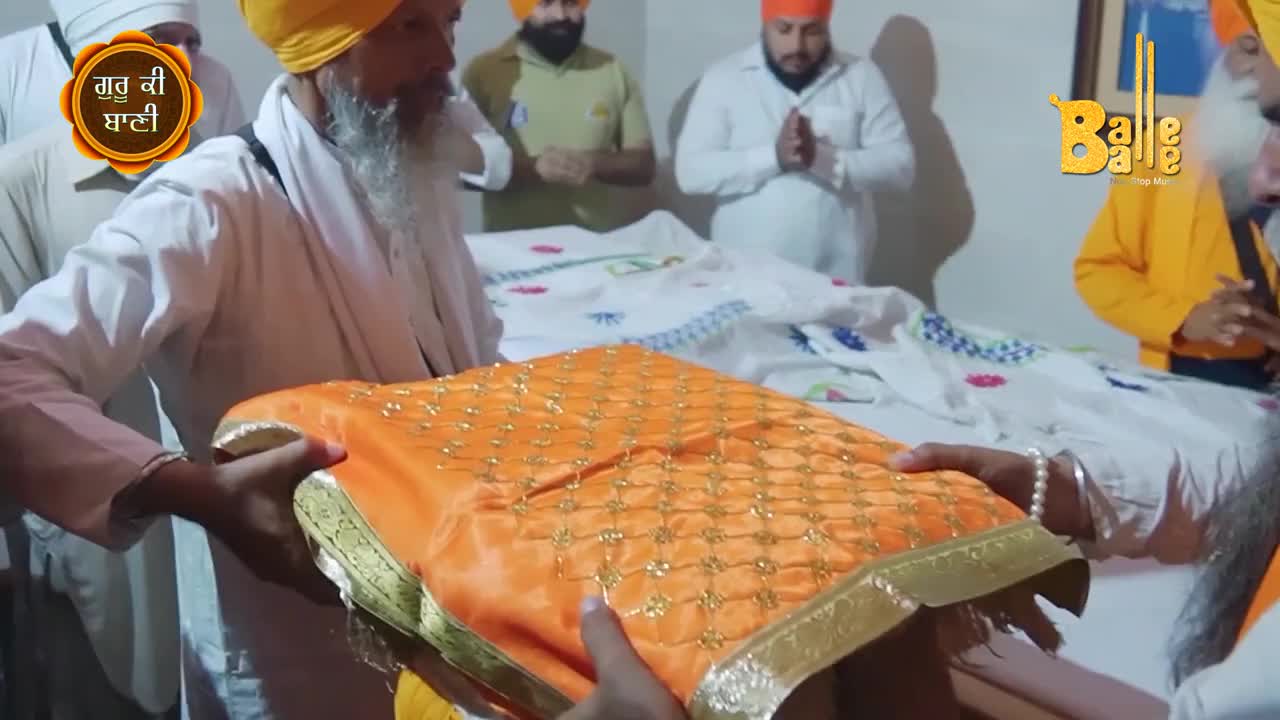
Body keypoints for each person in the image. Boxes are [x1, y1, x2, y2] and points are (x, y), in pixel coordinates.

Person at [0, 0, 509, 715]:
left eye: (449, 23)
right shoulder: (211, 201)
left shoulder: (409, 168)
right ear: (322, 47)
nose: (445, 60)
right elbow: (10, 376)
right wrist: (195, 494)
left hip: (450, 609)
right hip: (294, 645)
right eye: (410, 27)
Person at [1075, 1, 1280, 391]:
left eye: (1269, 52)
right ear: (1224, 55)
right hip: (1175, 373)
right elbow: (1097, 270)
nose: (1257, 70)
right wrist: (1187, 318)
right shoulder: (1161, 147)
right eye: (1248, 49)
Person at [674, 0, 914, 285]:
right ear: (765, 24)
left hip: (837, 279)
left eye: (811, 31)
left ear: (827, 27)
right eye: (784, 29)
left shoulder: (861, 77)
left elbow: (901, 167)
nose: (796, 47)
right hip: (744, 279)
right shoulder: (725, 78)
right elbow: (691, 174)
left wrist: (823, 160)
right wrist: (773, 158)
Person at [461, 0, 656, 232]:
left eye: (570, 3)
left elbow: (643, 166)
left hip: (594, 252)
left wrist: (594, 164)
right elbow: (458, 168)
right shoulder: (483, 72)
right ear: (521, 9)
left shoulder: (614, 70)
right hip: (511, 254)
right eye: (546, 3)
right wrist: (533, 169)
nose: (560, 14)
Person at [0, 0, 244, 145]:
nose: (186, 64)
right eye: (160, 39)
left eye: (192, 43)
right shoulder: (10, 67)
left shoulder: (215, 82)